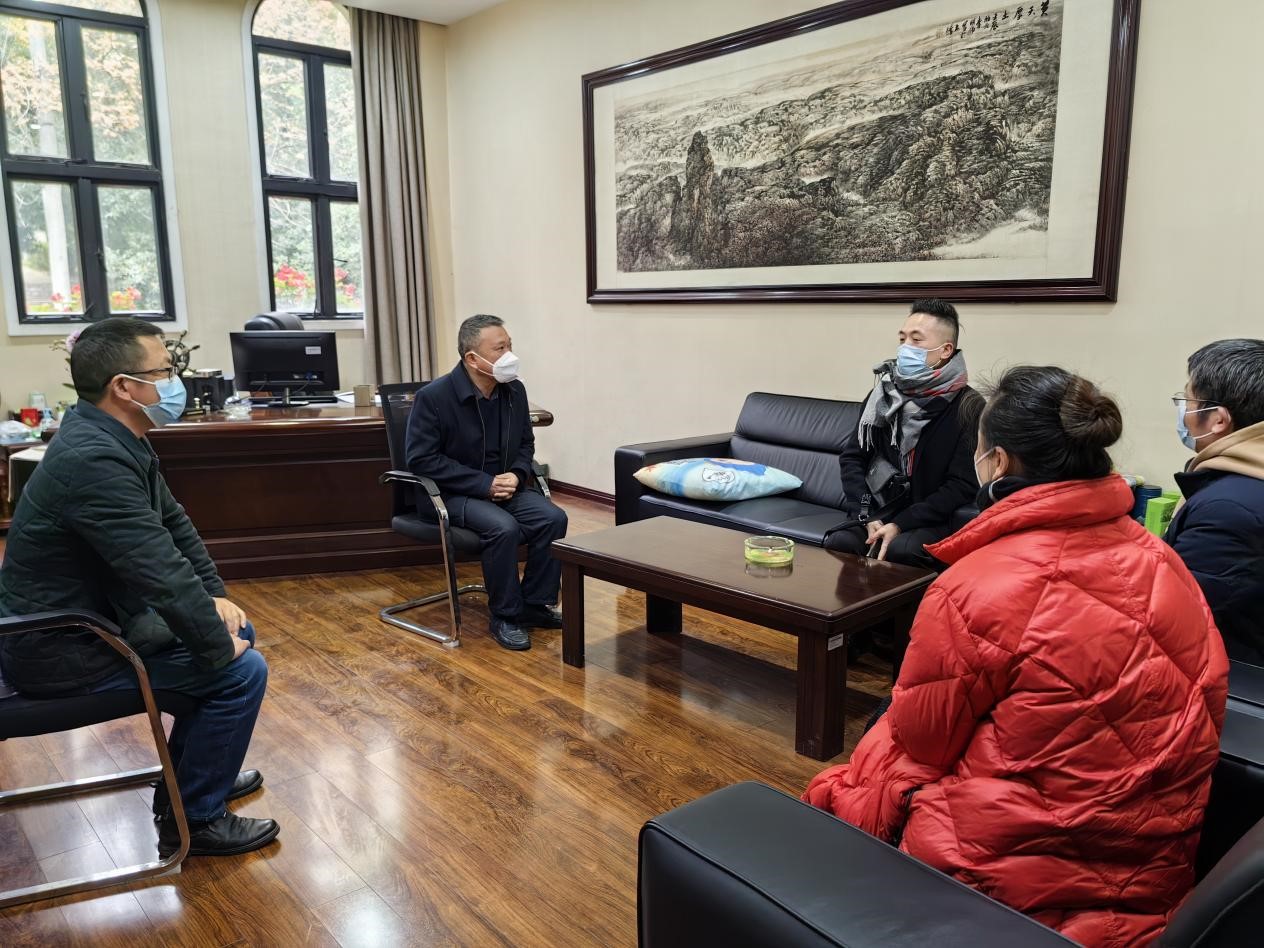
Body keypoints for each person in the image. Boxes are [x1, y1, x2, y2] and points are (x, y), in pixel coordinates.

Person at [804, 366, 1227, 947]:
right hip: (1154, 853)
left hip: (1012, 876)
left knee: (845, 785)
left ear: (997, 462)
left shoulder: (978, 586)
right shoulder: (1160, 558)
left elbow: (923, 741)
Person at [0, 317, 278, 859]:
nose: (176, 382)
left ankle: (195, 778)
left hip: (93, 623)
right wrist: (214, 644)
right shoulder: (93, 459)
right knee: (239, 672)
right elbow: (158, 570)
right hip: (62, 647)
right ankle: (194, 820)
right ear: (124, 387)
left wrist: (218, 600)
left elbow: (175, 528)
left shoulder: (110, 436)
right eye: (165, 371)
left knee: (236, 633)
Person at [406, 314, 568, 651]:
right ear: (472, 358)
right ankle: (505, 616)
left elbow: (525, 444)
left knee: (553, 518)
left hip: (504, 487)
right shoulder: (434, 397)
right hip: (449, 493)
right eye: (500, 348)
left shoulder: (514, 391)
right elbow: (422, 459)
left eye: (510, 345)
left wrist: (517, 475)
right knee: (503, 528)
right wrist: (484, 484)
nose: (510, 355)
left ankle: (534, 604)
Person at [829, 299, 982, 570]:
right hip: (877, 510)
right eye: (902, 338)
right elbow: (853, 458)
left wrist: (901, 523)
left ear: (946, 350)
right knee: (841, 541)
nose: (904, 347)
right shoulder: (883, 395)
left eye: (916, 339)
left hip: (929, 518)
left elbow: (961, 485)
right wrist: (866, 514)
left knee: (901, 550)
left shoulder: (968, 406)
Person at [1166, 338, 1264, 664]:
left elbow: (1176, 616)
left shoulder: (1228, 510)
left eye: (1188, 400)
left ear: (1219, 420)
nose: (1183, 412)